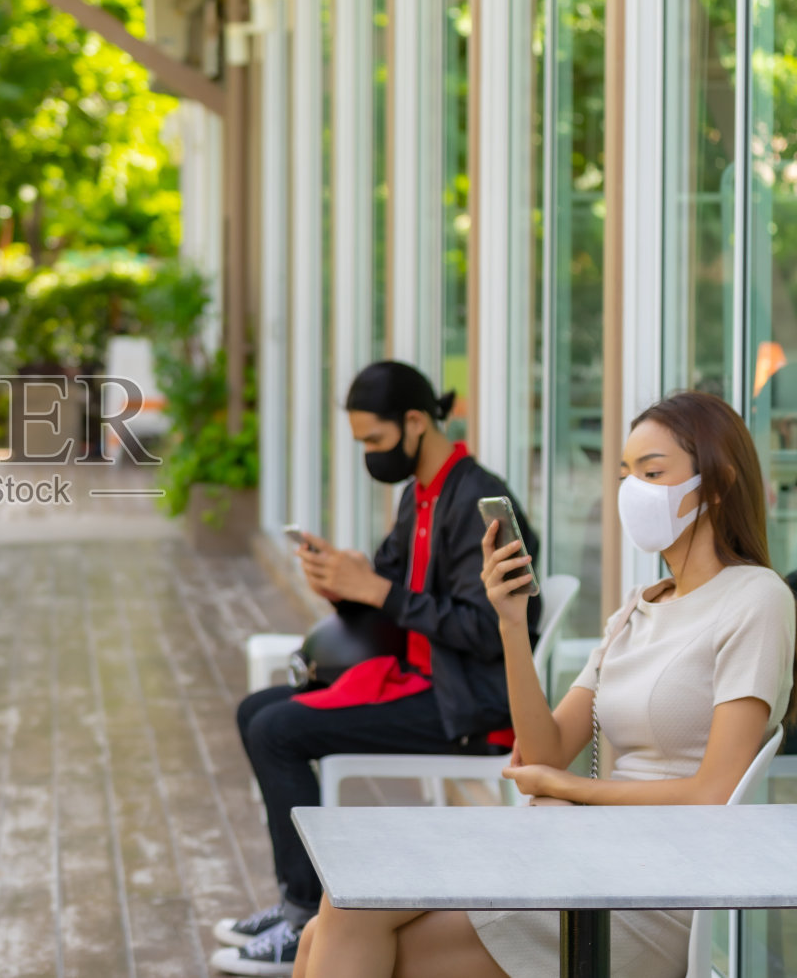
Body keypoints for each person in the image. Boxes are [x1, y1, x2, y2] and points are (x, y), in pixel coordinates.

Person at [287, 390, 797, 978]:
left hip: (652, 893)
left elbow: (714, 793)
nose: (632, 489)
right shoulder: (637, 608)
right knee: (329, 919)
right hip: (580, 858)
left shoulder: (756, 599)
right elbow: (547, 748)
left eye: (653, 473)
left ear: (717, 483)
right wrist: (509, 623)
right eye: (626, 474)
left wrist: (576, 793)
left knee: (345, 925)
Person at [213, 361, 541, 976]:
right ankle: (295, 904)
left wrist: (376, 590)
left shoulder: (477, 499)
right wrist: (343, 581)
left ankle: (305, 914)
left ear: (414, 422)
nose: (369, 454)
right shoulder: (419, 494)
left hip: (466, 705)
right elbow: (386, 588)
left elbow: (488, 629)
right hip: (418, 682)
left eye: (374, 441)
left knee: (273, 730)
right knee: (257, 709)